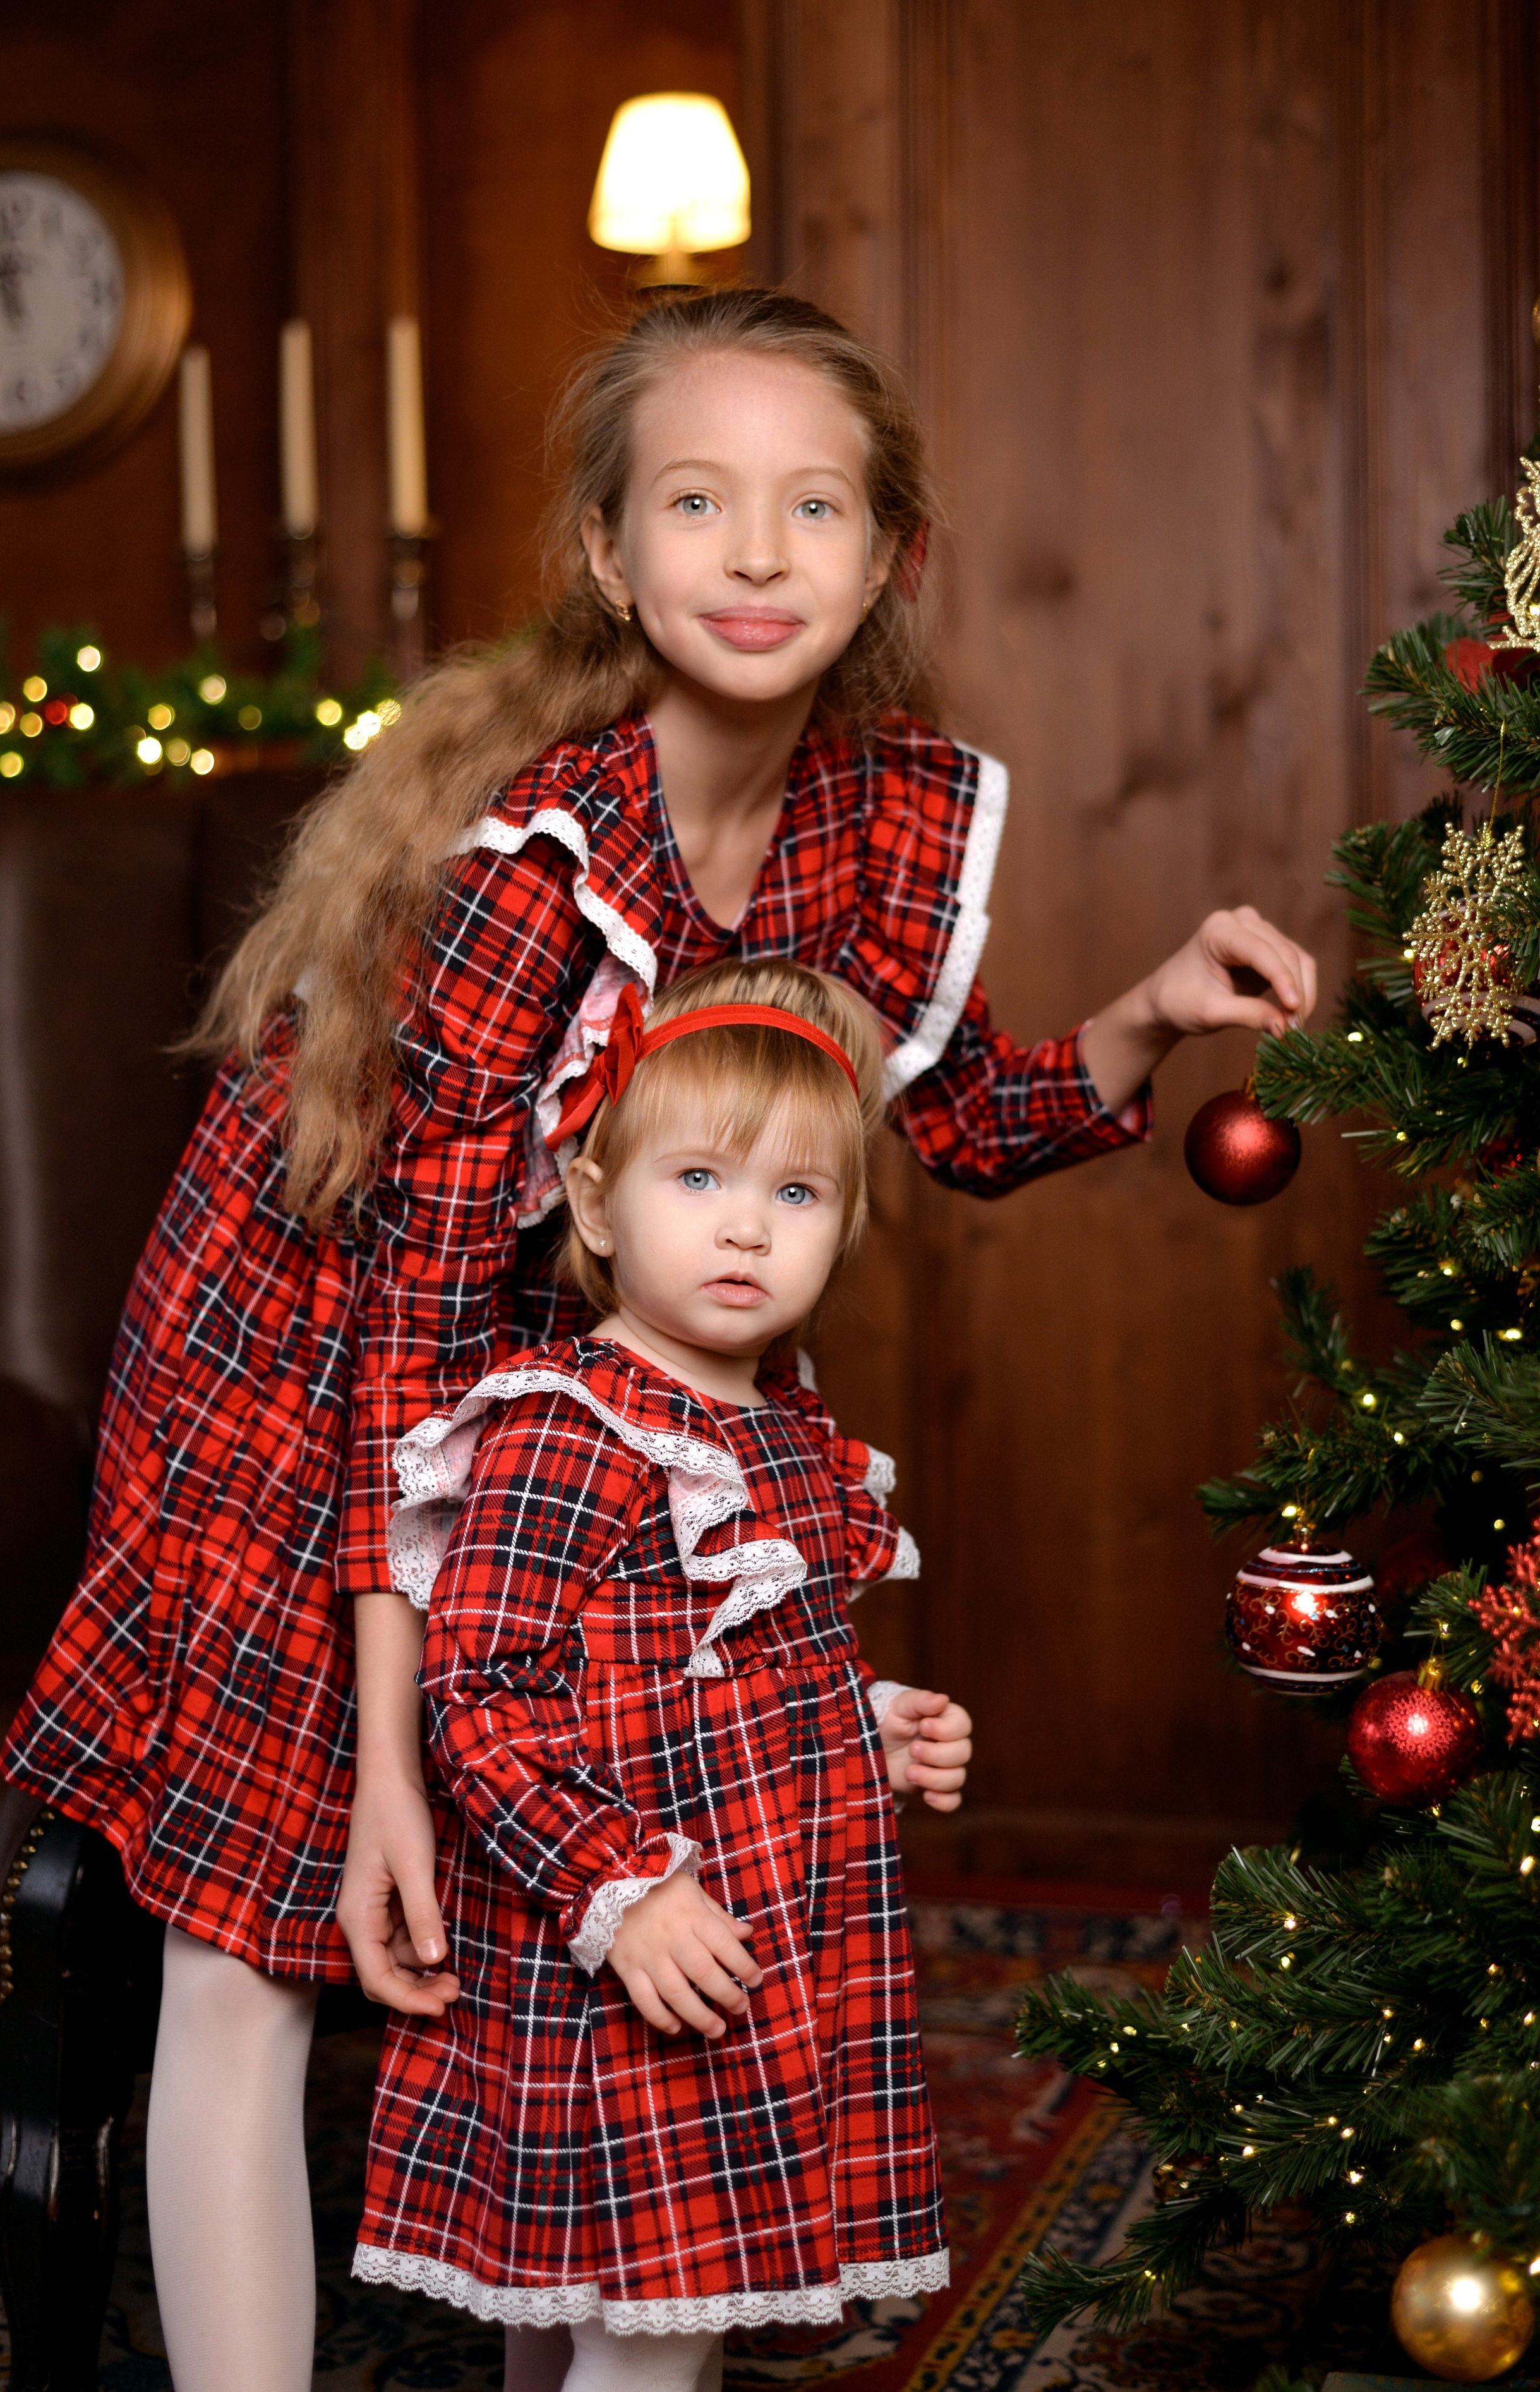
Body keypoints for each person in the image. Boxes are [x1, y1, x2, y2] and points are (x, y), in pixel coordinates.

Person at [0, 284, 1315, 2392]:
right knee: (248, 1939)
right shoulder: (534, 864)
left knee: (575, 1892)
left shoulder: (869, 813)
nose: (763, 550)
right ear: (616, 553)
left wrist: (1151, 1010)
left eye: (818, 506)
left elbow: (946, 1113)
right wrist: (388, 1765)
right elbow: (411, 1325)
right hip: (305, 1357)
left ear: (887, 557)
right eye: (702, 502)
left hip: (565, 1356)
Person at [354, 957, 971, 2392]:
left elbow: (753, 1668)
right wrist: (613, 1891)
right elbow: (481, 1698)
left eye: (795, 1195)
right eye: (696, 1177)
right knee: (643, 2339)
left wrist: (867, 1724)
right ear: (593, 1203)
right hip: (627, 1955)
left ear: (841, 1229)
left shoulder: (790, 1436)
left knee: (591, 2319)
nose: (746, 1225)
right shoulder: (571, 1431)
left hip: (751, 1949)